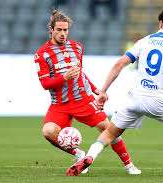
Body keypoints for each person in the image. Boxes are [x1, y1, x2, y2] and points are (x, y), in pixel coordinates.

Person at [66, 6, 163, 176]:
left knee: (111, 131)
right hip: (160, 101)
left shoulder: (145, 40)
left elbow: (120, 63)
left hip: (135, 98)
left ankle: (90, 156)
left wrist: (103, 91)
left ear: (160, 22)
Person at [34, 9, 141, 175]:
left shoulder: (77, 47)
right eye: (59, 30)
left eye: (66, 30)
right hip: (59, 105)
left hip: (82, 100)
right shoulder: (42, 54)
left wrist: (96, 90)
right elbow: (45, 83)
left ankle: (129, 165)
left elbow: (81, 74)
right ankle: (79, 154)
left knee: (110, 129)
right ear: (51, 30)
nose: (63, 33)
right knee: (48, 131)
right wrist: (64, 77)